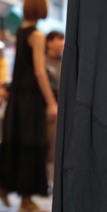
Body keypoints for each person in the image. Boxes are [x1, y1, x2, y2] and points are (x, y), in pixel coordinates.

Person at [0, 0, 58, 212]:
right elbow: (39, 71)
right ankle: (24, 199)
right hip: (31, 99)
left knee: (18, 142)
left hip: (18, 97)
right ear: (41, 8)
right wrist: (51, 102)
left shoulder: (20, 31)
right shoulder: (36, 35)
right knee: (33, 143)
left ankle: (7, 187)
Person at [45, 30, 64, 185]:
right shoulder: (42, 61)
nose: (62, 42)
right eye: (59, 39)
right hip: (44, 108)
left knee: (55, 145)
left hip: (59, 109)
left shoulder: (65, 62)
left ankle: (51, 181)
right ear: (49, 42)